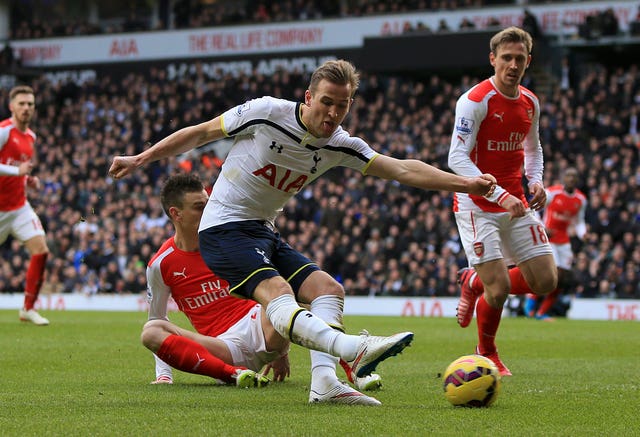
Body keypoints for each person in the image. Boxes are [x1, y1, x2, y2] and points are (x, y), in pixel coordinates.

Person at [109, 59, 496, 404]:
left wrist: (467, 183)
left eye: (342, 105)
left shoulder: (340, 144)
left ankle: (324, 382)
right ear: (309, 96)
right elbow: (201, 133)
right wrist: (141, 158)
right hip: (223, 228)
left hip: (262, 230)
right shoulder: (265, 113)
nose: (332, 112)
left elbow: (403, 169)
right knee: (279, 292)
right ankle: (352, 349)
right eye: (326, 101)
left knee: (328, 290)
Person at [144, 173, 382, 402]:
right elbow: (158, 316)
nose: (208, 211)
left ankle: (352, 367)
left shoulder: (227, 242)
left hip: (262, 325)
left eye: (209, 203)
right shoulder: (161, 264)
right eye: (199, 207)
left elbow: (270, 286)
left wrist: (281, 351)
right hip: (223, 347)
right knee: (152, 330)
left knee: (310, 295)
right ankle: (232, 373)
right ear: (176, 214)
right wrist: (163, 375)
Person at [448, 27, 558, 376]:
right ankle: (488, 350)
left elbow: (533, 148)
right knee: (500, 290)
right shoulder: (475, 100)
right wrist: (498, 193)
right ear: (493, 59)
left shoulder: (529, 102)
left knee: (545, 281)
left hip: (517, 201)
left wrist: (536, 180)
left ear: (528, 61)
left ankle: (471, 282)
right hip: (478, 204)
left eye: (519, 58)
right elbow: (456, 158)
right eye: (506, 58)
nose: (513, 64)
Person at [0, 85, 50, 325]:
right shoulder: (4, 131)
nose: (26, 108)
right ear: (11, 106)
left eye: (30, 104)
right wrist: (15, 171)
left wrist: (28, 179)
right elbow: (12, 167)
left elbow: (18, 167)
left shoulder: (31, 136)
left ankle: (27, 309)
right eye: (21, 103)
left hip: (19, 206)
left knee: (41, 250)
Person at [524, 167, 587, 320]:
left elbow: (579, 221)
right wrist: (542, 228)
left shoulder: (581, 199)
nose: (571, 179)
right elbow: (534, 210)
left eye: (574, 176)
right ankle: (530, 301)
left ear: (577, 180)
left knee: (563, 279)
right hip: (548, 239)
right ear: (563, 178)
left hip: (564, 241)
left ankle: (541, 312)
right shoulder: (552, 193)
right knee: (555, 274)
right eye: (568, 176)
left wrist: (583, 232)